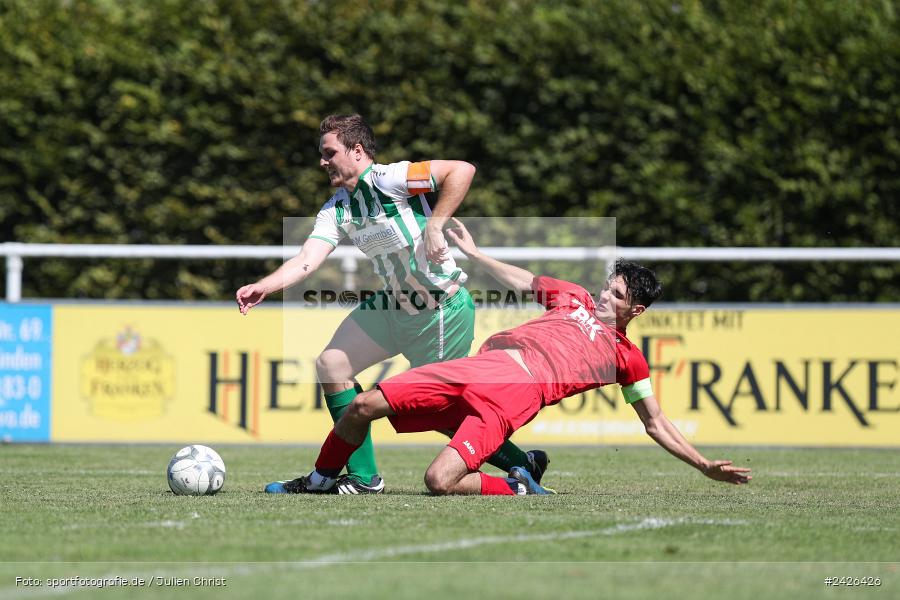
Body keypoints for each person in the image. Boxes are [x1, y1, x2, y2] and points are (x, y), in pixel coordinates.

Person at [270, 218, 753, 495]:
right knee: (361, 406)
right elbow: (523, 281)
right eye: (608, 288)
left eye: (617, 295)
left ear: (637, 309)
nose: (605, 297)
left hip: (513, 398)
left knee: (439, 481)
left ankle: (519, 485)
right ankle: (320, 479)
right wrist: (476, 256)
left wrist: (703, 463)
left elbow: (656, 423)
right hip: (479, 368)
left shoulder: (628, 359)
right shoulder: (575, 298)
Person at [236, 115, 548, 494]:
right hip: (393, 306)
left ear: (357, 151)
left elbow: (462, 170)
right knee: (332, 363)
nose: (322, 161)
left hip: (440, 311)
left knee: (436, 412)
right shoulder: (338, 207)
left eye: (329, 153)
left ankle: (521, 463)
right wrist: (264, 286)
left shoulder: (392, 179)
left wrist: (436, 225)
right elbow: (306, 259)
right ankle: (364, 478)